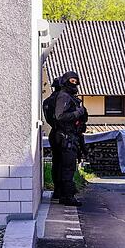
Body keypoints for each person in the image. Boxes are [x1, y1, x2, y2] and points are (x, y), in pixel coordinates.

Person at [53, 71, 88, 207]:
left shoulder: (70, 97)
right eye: (71, 81)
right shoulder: (63, 96)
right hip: (65, 137)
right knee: (67, 167)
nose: (73, 83)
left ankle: (65, 193)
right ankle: (67, 196)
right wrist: (77, 112)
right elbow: (59, 116)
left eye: (75, 81)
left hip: (71, 136)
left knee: (67, 166)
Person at [42, 78, 63, 200]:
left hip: (53, 133)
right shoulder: (63, 101)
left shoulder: (47, 101)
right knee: (65, 164)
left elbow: (48, 119)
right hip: (63, 134)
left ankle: (57, 190)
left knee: (56, 162)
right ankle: (63, 191)